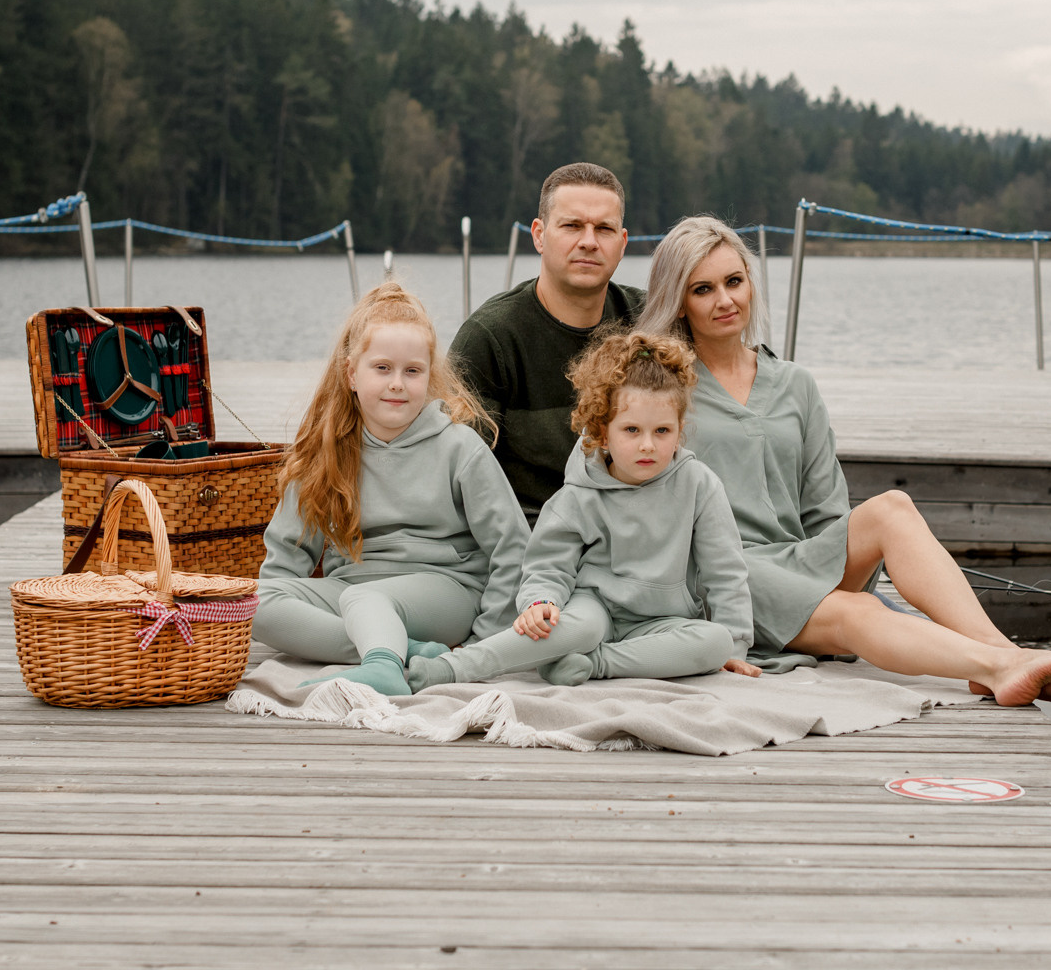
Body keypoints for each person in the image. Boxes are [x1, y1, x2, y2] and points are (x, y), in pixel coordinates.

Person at [636, 215, 1051, 707]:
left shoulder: (794, 383)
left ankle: (1006, 654)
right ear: (679, 300)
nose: (725, 300)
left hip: (796, 560)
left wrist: (838, 565)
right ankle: (1002, 667)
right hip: (724, 576)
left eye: (734, 281)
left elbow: (825, 509)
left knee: (891, 507)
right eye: (703, 289)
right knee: (855, 612)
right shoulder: (660, 389)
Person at [407, 331, 756, 690]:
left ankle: (592, 664)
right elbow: (547, 565)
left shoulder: (699, 485)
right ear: (603, 433)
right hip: (594, 609)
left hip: (664, 620)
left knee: (716, 642)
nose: (648, 444)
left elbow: (725, 572)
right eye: (632, 430)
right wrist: (540, 602)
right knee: (578, 627)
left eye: (663, 431)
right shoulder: (578, 494)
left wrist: (737, 646)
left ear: (680, 431)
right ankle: (455, 666)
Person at [252, 282, 529, 697]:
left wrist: (482, 642)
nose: (397, 383)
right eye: (382, 368)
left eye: (412, 371)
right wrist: (283, 606)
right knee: (250, 603)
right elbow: (286, 555)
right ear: (351, 374)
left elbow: (512, 548)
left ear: (429, 376)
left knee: (367, 601)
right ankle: (405, 651)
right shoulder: (325, 449)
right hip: (350, 591)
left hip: (444, 590)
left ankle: (382, 664)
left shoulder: (459, 447)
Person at [450, 162, 644, 520]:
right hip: (529, 540)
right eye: (572, 225)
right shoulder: (490, 338)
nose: (589, 241)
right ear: (539, 235)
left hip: (635, 534)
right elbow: (456, 475)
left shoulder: (649, 321)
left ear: (622, 243)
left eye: (604, 228)